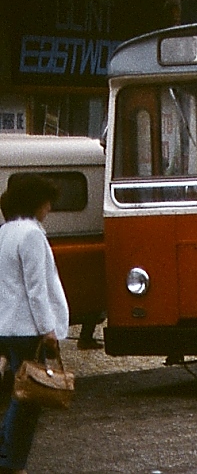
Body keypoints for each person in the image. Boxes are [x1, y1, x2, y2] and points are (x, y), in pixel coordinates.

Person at [0, 174, 70, 473]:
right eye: (47, 201)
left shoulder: (5, 231)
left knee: (20, 395)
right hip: (29, 328)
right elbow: (36, 288)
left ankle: (10, 458)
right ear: (36, 202)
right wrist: (49, 329)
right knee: (28, 400)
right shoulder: (32, 234)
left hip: (7, 325)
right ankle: (11, 462)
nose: (49, 208)